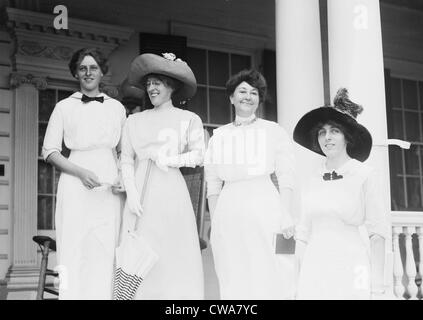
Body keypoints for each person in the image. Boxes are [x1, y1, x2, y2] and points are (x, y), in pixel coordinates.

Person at [42, 48, 127, 299]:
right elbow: (50, 151)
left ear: (102, 72)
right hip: (75, 183)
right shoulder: (64, 107)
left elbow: (124, 152)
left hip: (108, 184)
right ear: (76, 73)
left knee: (105, 246)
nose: (88, 73)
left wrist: (122, 176)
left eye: (93, 68)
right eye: (82, 68)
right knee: (75, 245)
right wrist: (80, 172)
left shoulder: (117, 108)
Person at [204, 69, 297, 299]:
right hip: (229, 206)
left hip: (264, 202)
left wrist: (286, 213)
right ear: (231, 97)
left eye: (254, 92)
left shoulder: (273, 131)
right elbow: (213, 184)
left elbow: (286, 176)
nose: (248, 96)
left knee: (270, 266)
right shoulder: (219, 137)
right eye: (242, 91)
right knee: (233, 269)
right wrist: (216, 220)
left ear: (259, 99)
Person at [120, 52, 205, 299]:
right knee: (139, 252)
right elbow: (126, 159)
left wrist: (170, 160)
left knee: (171, 252)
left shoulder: (188, 119)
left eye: (157, 83)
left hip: (170, 190)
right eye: (148, 84)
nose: (151, 88)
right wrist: (132, 192)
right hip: (140, 191)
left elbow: (199, 155)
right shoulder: (134, 121)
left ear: (171, 85)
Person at [293, 88, 389, 299]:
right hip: (314, 270)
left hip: (352, 267)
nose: (327, 137)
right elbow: (302, 235)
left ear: (347, 137)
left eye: (335, 131)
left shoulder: (364, 175)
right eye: (322, 132)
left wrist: (377, 289)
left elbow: (377, 235)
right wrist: (295, 285)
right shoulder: (310, 179)